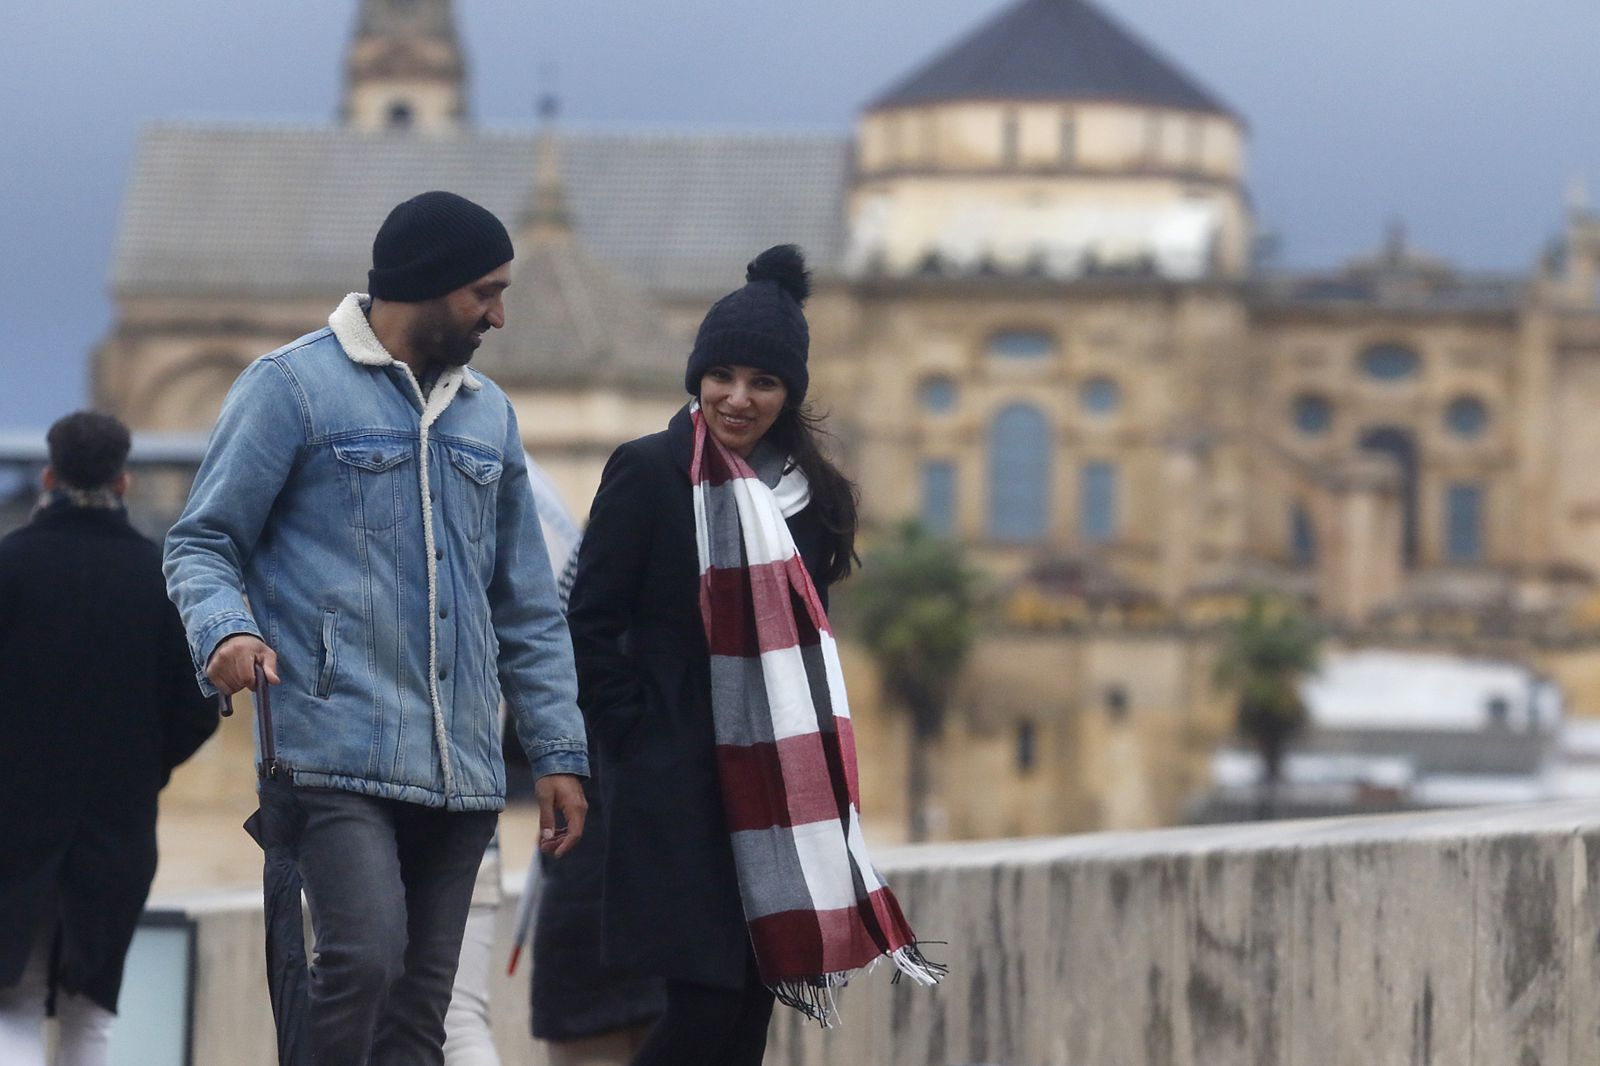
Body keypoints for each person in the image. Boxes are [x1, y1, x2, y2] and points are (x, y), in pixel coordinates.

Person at [164, 190, 589, 1065]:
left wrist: (557, 753)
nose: (500, 316)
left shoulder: (490, 415)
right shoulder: (289, 388)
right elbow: (202, 541)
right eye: (485, 293)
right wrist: (225, 634)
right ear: (426, 287)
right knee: (363, 959)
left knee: (419, 1015)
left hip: (463, 769)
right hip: (332, 749)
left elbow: (527, 608)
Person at [566, 245, 943, 1066]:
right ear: (697, 377)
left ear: (790, 394)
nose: (738, 398)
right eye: (722, 376)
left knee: (745, 1015)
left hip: (776, 791)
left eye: (763, 383)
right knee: (703, 1007)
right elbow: (590, 621)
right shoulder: (649, 471)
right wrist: (636, 735)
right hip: (677, 785)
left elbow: (807, 650)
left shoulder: (817, 501)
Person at [0, 411, 218, 1066]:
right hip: (117, 826)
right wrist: (140, 766)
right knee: (90, 1012)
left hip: (12, 822)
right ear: (123, 481)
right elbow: (199, 709)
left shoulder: (8, 567)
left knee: (11, 1000)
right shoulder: (161, 579)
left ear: (47, 476)